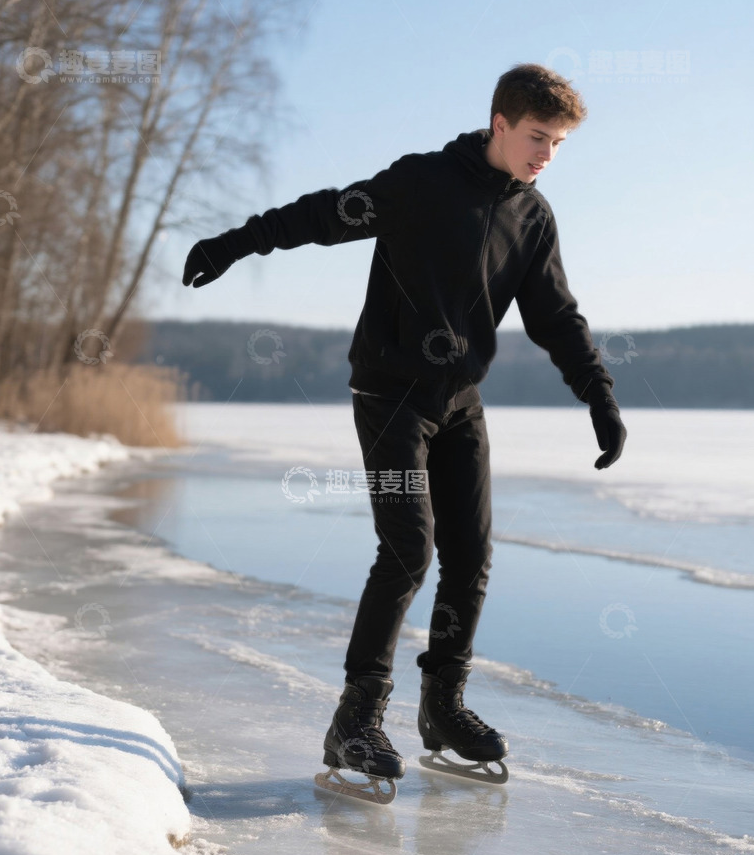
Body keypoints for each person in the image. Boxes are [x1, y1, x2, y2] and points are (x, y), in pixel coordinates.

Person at [182, 63, 626, 794]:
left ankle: (442, 708)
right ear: (501, 126)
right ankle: (355, 718)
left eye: (560, 143)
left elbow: (556, 317)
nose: (547, 154)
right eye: (539, 137)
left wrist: (599, 396)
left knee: (472, 555)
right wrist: (236, 243)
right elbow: (327, 215)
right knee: (408, 548)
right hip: (390, 393)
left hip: (460, 404)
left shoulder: (533, 218)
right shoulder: (423, 183)